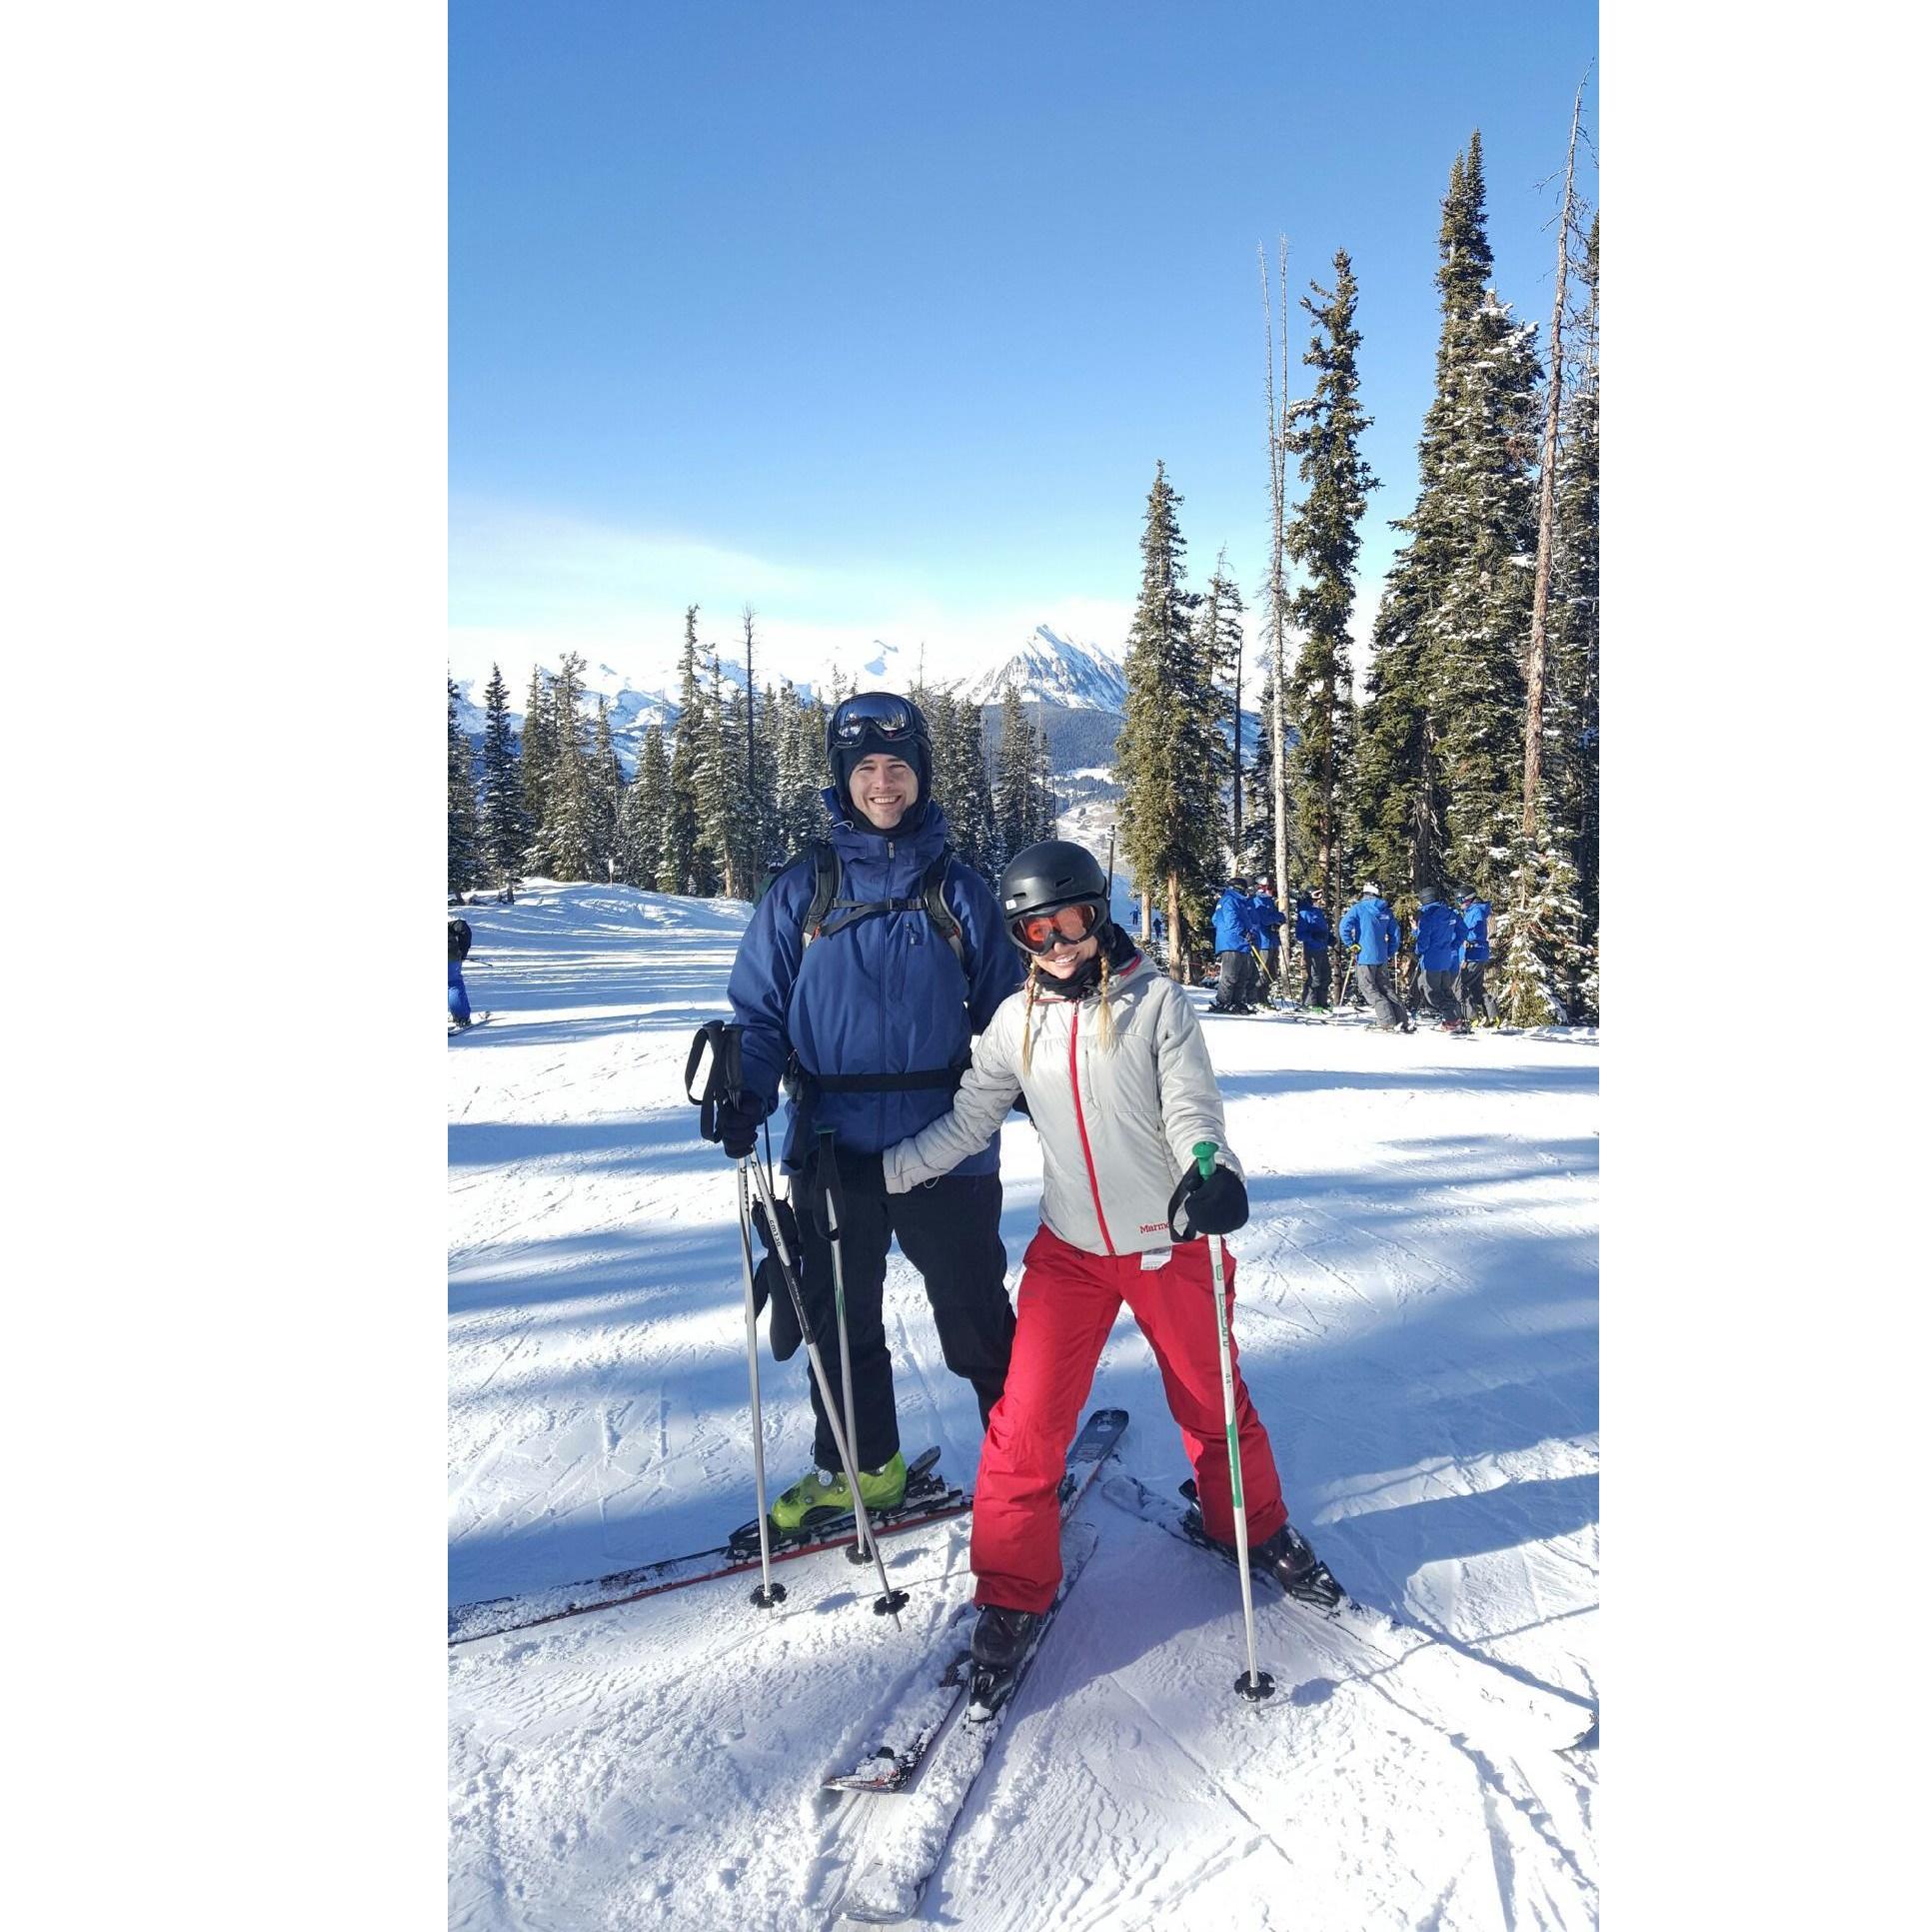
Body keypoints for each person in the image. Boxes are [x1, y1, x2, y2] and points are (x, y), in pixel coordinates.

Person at [829, 840, 1338, 1684]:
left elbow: (1191, 1109)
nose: (1061, 942)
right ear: (1020, 937)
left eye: (1075, 920)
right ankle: (1012, 1590)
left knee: (1212, 1402)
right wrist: (876, 1177)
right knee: (1024, 1425)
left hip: (1166, 1245)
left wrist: (1210, 1173)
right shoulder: (1013, 1021)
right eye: (1038, 930)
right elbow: (966, 1124)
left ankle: (1249, 1525)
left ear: (1101, 914)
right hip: (1068, 1252)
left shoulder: (1156, 1003)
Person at [721, 691, 1023, 1531]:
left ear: (919, 775)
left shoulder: (957, 891)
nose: (882, 784)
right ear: (841, 780)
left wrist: (1053, 1089)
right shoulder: (801, 891)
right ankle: (866, 1467)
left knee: (972, 1317)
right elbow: (759, 1015)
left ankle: (1020, 1453)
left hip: (949, 1145)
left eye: (897, 767)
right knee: (839, 1321)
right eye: (865, 770)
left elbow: (1010, 1017)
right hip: (830, 1147)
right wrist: (744, 1089)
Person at [1338, 883, 1412, 1032]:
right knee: (1385, 988)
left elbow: (1343, 926)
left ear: (1365, 893)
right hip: (1381, 956)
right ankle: (1402, 1019)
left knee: (1368, 987)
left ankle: (1387, 1022)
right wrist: (1389, 951)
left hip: (1365, 956)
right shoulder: (1386, 910)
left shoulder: (1359, 908)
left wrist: (1352, 945)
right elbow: (1395, 934)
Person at [1414, 885, 1470, 1032]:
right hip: (1447, 958)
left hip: (1432, 959)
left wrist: (1419, 950)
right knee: (1446, 990)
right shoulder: (1451, 912)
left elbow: (1424, 939)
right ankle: (1457, 1019)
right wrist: (1454, 945)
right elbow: (1463, 930)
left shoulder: (1428, 915)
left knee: (1433, 993)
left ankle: (1452, 1021)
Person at [1207, 876, 1259, 1013]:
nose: (1248, 892)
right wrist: (1243, 932)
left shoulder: (1238, 901)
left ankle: (1236, 1001)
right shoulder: (1230, 900)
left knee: (1243, 974)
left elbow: (1215, 919)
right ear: (1239, 888)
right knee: (1230, 975)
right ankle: (1223, 1002)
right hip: (1232, 943)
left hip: (1241, 943)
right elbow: (1231, 921)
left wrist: (1251, 932)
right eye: (1246, 889)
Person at [1458, 889, 1500, 1023]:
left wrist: (1466, 938)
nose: (1459, 904)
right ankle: (1492, 1015)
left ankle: (1471, 1017)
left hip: (1472, 953)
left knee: (1461, 985)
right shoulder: (1473, 910)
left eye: (1461, 900)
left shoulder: (1476, 911)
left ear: (1469, 898)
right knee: (1476, 987)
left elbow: (1476, 928)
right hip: (1478, 954)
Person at [1293, 889, 1332, 1008]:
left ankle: (1322, 1002)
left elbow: (1323, 930)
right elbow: (1300, 934)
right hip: (1312, 949)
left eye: (1321, 894)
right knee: (1314, 976)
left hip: (1322, 947)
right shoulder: (1304, 913)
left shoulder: (1317, 912)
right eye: (1316, 894)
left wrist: (1329, 937)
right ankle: (1309, 1003)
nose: (1319, 897)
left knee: (1326, 975)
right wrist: (1313, 936)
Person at [1249, 883, 1286, 1002]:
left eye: (1272, 888)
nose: (1272, 891)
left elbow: (1279, 917)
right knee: (1262, 973)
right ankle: (1256, 998)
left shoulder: (1270, 901)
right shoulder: (1257, 901)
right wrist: (1277, 918)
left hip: (1272, 941)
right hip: (1262, 942)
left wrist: (1278, 920)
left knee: (1272, 974)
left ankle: (1263, 998)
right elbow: (1264, 920)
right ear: (1262, 889)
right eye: (1269, 888)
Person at [448, 916, 474, 1028]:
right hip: (449, 955)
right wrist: (462, 953)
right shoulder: (450, 916)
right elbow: (464, 931)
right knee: (453, 984)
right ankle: (461, 1017)